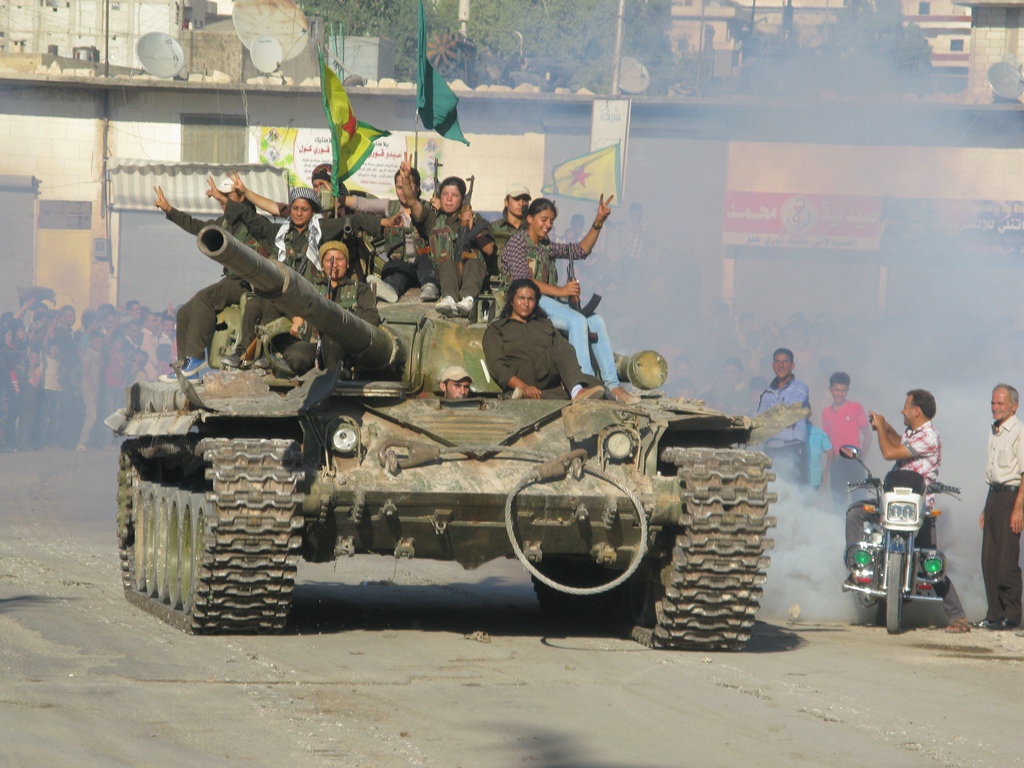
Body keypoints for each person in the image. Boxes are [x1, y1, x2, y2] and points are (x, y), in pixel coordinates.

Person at [220, 181, 393, 370]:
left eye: (304, 209)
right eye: (295, 208)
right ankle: (242, 352)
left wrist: (384, 223)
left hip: (308, 295)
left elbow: (354, 222)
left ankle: (270, 354)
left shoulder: (321, 230)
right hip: (285, 293)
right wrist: (222, 199)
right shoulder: (281, 233)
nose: (299, 213)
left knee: (274, 308)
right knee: (255, 305)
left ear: (312, 211)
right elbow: (252, 219)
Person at [846, 389, 970, 633]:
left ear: (917, 410)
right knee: (855, 512)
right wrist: (884, 425)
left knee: (928, 559)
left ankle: (958, 617)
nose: (902, 410)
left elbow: (889, 452)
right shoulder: (914, 433)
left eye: (905, 407)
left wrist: (881, 427)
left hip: (918, 507)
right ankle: (857, 568)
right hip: (893, 501)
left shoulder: (929, 437)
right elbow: (898, 443)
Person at [498, 197, 637, 405]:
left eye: (551, 221)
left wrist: (598, 222)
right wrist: (561, 290)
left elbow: (581, 250)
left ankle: (613, 385)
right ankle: (587, 383)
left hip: (544, 300)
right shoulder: (518, 242)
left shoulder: (545, 246)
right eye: (543, 219)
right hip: (525, 302)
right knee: (577, 321)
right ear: (529, 219)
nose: (548, 225)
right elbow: (522, 281)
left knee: (596, 321)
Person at [155, 179, 265, 381]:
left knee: (205, 298)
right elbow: (196, 226)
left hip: (247, 283)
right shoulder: (225, 223)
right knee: (185, 313)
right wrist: (169, 209)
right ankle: (187, 368)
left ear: (242, 198)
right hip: (230, 280)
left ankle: (196, 358)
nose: (223, 203)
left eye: (227, 198)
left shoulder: (252, 223)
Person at [398, 162, 495, 318]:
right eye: (445, 194)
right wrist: (406, 180)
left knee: (474, 263)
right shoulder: (432, 217)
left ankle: (468, 299)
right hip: (445, 275)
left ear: (462, 199)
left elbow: (489, 249)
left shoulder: (475, 218)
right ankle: (449, 298)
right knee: (448, 263)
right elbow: (411, 201)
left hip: (472, 275)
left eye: (455, 195)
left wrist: (473, 229)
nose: (449, 199)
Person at [482, 279, 602, 401]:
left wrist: (568, 377)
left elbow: (566, 351)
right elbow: (497, 368)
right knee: (561, 351)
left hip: (548, 377)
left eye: (531, 299)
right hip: (522, 376)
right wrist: (524, 386)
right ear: (511, 301)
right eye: (521, 298)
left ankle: (531, 396)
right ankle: (577, 393)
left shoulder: (545, 324)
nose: (526, 303)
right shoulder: (497, 329)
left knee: (593, 383)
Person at [274, 240, 380, 377]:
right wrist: (296, 317)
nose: (334, 265)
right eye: (329, 260)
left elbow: (371, 316)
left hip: (345, 347)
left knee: (333, 341)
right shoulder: (311, 288)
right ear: (322, 265)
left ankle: (337, 375)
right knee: (295, 354)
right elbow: (285, 303)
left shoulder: (359, 289)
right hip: (314, 344)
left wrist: (347, 321)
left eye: (339, 259)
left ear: (347, 264)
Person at [344, 167, 440, 304]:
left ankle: (430, 287)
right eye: (399, 187)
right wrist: (337, 197)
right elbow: (363, 204)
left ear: (417, 188)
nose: (402, 192)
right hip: (401, 266)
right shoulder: (391, 207)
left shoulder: (428, 209)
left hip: (424, 263)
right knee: (394, 268)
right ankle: (391, 290)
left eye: (406, 186)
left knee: (425, 263)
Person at [975, 384, 1024, 630]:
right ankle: (994, 614)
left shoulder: (1019, 431)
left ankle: (1012, 615)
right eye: (993, 403)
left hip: (1011, 498)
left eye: (1000, 404)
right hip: (994, 496)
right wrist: (986, 507)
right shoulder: (994, 432)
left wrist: (1019, 509)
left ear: (1014, 406)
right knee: (989, 560)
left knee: (1006, 561)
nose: (995, 407)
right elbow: (994, 474)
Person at [755, 348, 810, 483]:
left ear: (792, 365)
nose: (781, 365)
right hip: (771, 450)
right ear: (773, 366)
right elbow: (757, 420)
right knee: (769, 488)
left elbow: (790, 413)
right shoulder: (766, 393)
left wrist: (768, 421)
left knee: (796, 491)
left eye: (785, 361)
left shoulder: (800, 388)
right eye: (778, 362)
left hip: (793, 448)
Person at [821, 371, 872, 513]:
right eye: (836, 390)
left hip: (853, 460)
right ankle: (839, 531)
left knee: (859, 500)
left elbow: (868, 436)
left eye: (843, 390)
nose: (840, 394)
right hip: (836, 462)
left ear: (847, 391)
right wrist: (825, 470)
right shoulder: (826, 412)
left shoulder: (855, 407)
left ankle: (860, 531)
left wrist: (861, 459)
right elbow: (827, 443)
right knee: (838, 501)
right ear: (830, 390)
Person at [488, 183, 531, 264]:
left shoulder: (533, 229)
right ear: (506, 202)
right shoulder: (494, 228)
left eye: (525, 199)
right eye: (516, 199)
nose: (521, 203)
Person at [806, 415, 833, 492]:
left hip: (795, 478)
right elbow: (831, 454)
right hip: (814, 479)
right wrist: (825, 472)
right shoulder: (819, 433)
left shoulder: (791, 434)